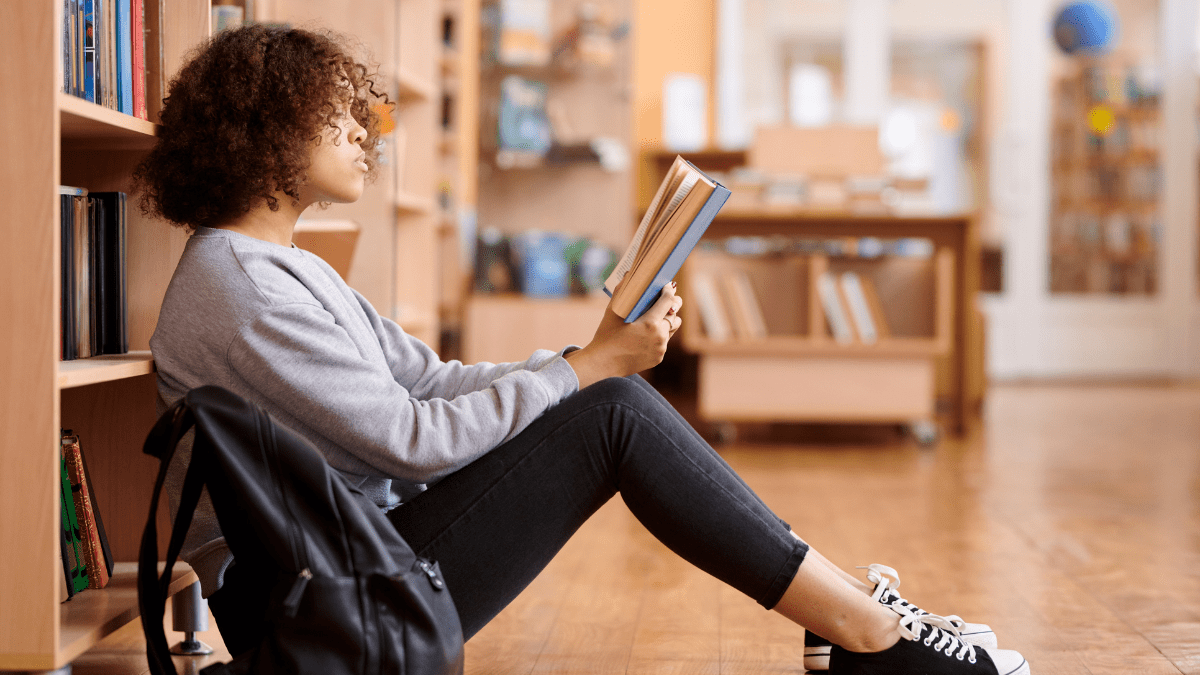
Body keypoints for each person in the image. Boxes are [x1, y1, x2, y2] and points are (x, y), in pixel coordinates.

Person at [135, 24, 1029, 675]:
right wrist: (590, 370)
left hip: (355, 559)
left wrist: (582, 353)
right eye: (337, 120)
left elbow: (430, 380)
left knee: (609, 403)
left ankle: (859, 624)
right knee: (615, 413)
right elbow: (408, 439)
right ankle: (868, 635)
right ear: (267, 133)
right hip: (328, 596)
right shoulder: (242, 286)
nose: (365, 136)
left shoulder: (281, 266)